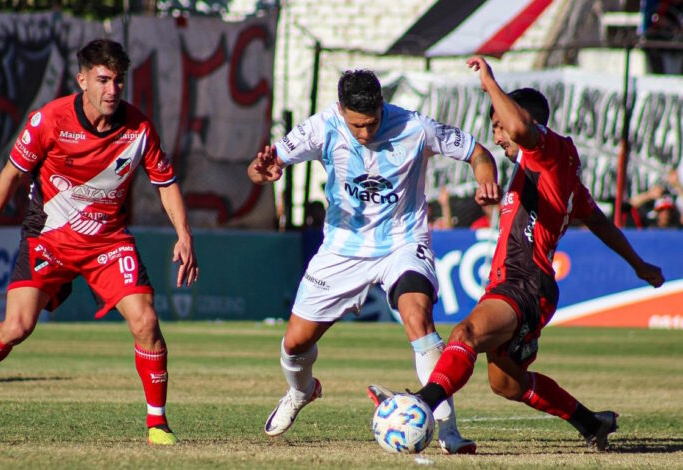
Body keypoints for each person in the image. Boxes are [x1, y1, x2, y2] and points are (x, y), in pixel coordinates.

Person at [370, 56, 665, 452]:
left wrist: (490, 83)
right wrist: (639, 265)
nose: (497, 137)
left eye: (497, 126)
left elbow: (522, 128)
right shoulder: (559, 174)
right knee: (506, 384)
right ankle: (590, 421)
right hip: (531, 287)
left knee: (465, 334)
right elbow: (599, 222)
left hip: (522, 283)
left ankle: (419, 405)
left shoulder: (549, 150)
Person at [0, 39, 198, 446]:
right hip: (49, 237)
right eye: (102, 80)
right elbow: (10, 176)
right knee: (16, 327)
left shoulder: (139, 129)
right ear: (82, 80)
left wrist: (184, 235)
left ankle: (157, 424)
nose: (112, 89)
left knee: (146, 322)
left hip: (107, 242)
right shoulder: (48, 120)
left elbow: (166, 185)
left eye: (119, 80)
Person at [248, 69, 502, 454]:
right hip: (341, 249)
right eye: (356, 126)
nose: (364, 134)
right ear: (341, 110)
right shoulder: (320, 127)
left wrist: (486, 180)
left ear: (383, 107)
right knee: (294, 345)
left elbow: (478, 152)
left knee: (419, 319)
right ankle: (301, 391)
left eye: (371, 124)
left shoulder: (416, 128)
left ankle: (448, 430)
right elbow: (263, 166)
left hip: (402, 242)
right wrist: (262, 172)